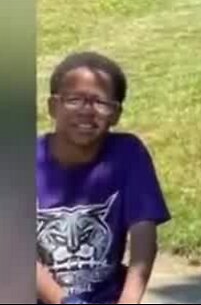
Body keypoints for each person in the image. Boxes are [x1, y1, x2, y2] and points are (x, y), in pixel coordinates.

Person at [37, 52, 171, 305]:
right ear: (53, 107)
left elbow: (144, 233)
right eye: (74, 100)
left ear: (117, 114)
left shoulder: (128, 153)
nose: (87, 111)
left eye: (101, 102)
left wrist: (129, 301)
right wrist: (64, 301)